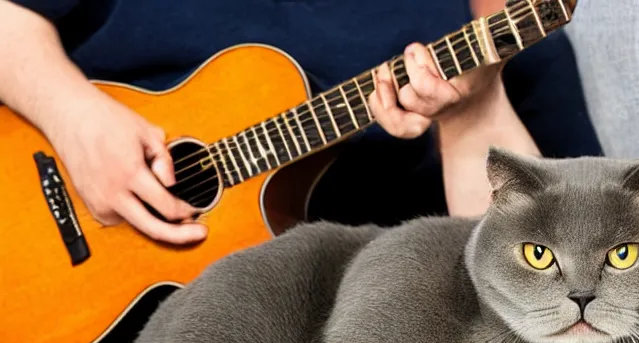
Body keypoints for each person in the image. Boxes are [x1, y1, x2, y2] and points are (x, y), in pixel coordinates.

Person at [0, 0, 601, 244]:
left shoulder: (496, 34)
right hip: (60, 263)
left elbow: (553, 290)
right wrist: (73, 117)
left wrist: (474, 108)